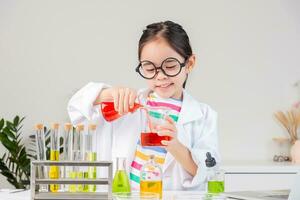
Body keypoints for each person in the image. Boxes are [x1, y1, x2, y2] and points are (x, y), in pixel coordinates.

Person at [67, 20, 219, 190]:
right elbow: (77, 110)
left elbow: (208, 171)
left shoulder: (204, 115)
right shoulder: (130, 104)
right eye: (149, 68)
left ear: (189, 64)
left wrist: (174, 145)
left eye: (169, 66)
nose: (160, 76)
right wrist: (108, 93)